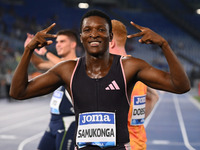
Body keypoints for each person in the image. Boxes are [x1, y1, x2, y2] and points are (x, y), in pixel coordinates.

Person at [10, 9, 190, 150]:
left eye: (101, 30)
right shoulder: (68, 69)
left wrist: (164, 45)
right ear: (81, 37)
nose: (94, 34)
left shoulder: (129, 67)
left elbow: (180, 85)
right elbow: (18, 92)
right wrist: (28, 50)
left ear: (110, 37)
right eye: (87, 30)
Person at [24, 30, 78, 150]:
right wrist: (29, 49)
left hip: (69, 121)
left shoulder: (79, 63)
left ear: (73, 44)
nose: (58, 44)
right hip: (54, 120)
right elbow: (39, 65)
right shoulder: (57, 64)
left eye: (62, 41)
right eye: (57, 41)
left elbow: (66, 68)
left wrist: (45, 52)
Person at [109, 19, 159, 149]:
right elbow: (154, 97)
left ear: (110, 42)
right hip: (137, 143)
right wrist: (135, 122)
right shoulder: (138, 68)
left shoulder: (113, 72)